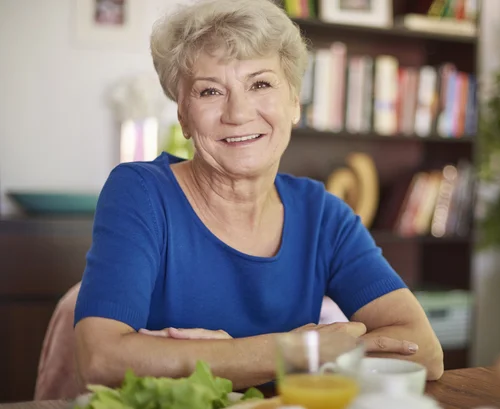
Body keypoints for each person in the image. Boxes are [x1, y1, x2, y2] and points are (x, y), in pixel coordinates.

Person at [74, 0, 443, 390]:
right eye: (210, 91)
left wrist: (221, 356)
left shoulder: (323, 215)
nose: (238, 112)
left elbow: (424, 350)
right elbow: (100, 357)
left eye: (261, 84)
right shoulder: (141, 194)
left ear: (295, 104)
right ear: (183, 115)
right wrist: (291, 352)